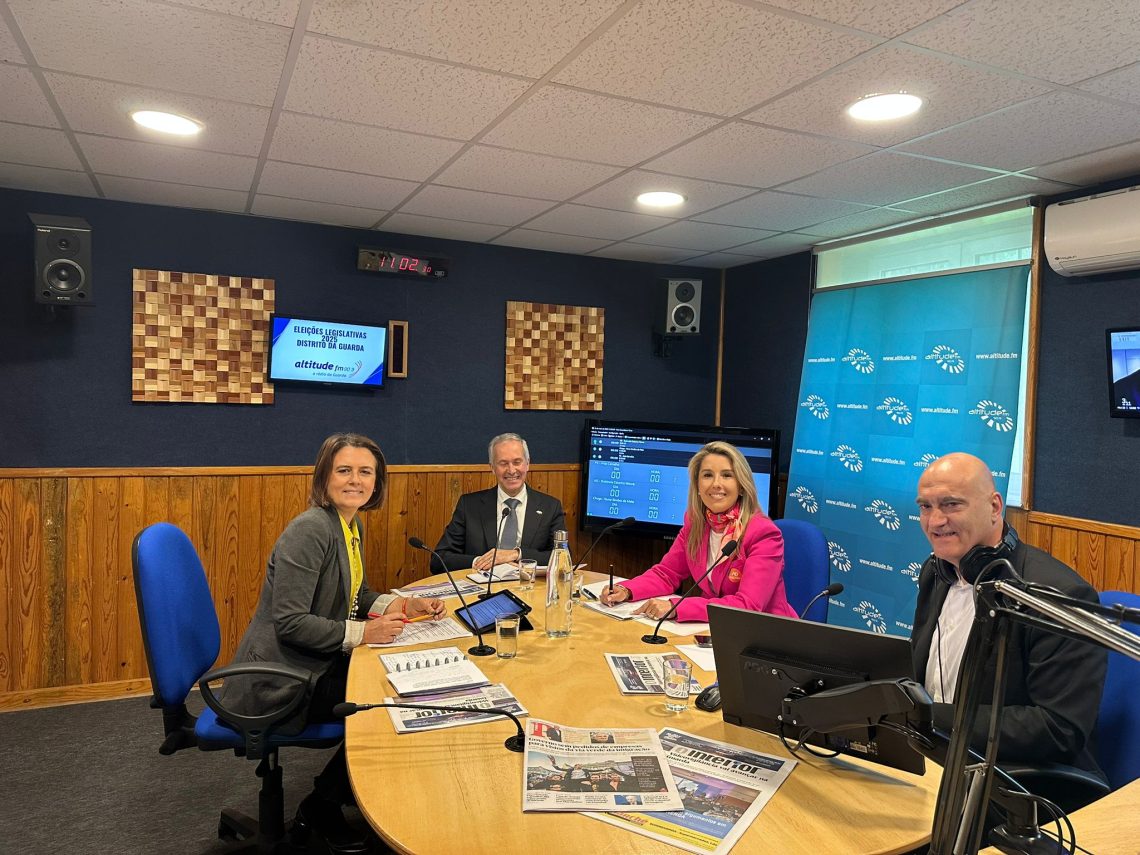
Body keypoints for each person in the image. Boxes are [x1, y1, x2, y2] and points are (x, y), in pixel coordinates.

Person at [225, 433, 446, 854]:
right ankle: (322, 806)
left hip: (314, 661)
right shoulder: (310, 529)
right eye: (344, 470)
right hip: (280, 680)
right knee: (391, 708)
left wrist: (404, 604)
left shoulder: (349, 524)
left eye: (365, 472)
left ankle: (336, 800)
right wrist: (364, 633)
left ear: (377, 482)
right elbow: (290, 622)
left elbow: (355, 596)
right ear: (324, 476)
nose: (355, 480)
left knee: (403, 684)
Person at [911, 452, 1107, 779]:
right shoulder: (937, 572)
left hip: (1017, 781)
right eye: (925, 507)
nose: (934, 522)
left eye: (951, 505)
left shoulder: (1057, 596)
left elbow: (1058, 728)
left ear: (994, 507)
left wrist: (929, 716)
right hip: (935, 755)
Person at [599, 441, 797, 622]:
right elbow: (667, 574)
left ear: (742, 486)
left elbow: (748, 606)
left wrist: (677, 607)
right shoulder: (696, 523)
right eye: (707, 475)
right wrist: (626, 590)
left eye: (727, 475)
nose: (716, 484)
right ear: (698, 486)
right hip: (712, 628)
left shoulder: (763, 533)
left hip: (764, 633)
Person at [432, 433, 566, 572]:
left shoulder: (550, 507)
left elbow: (562, 557)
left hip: (528, 583)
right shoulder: (469, 506)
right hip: (482, 584)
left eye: (517, 462)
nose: (511, 470)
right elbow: (439, 560)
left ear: (527, 464)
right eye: (503, 463)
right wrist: (481, 562)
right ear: (492, 468)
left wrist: (517, 554)